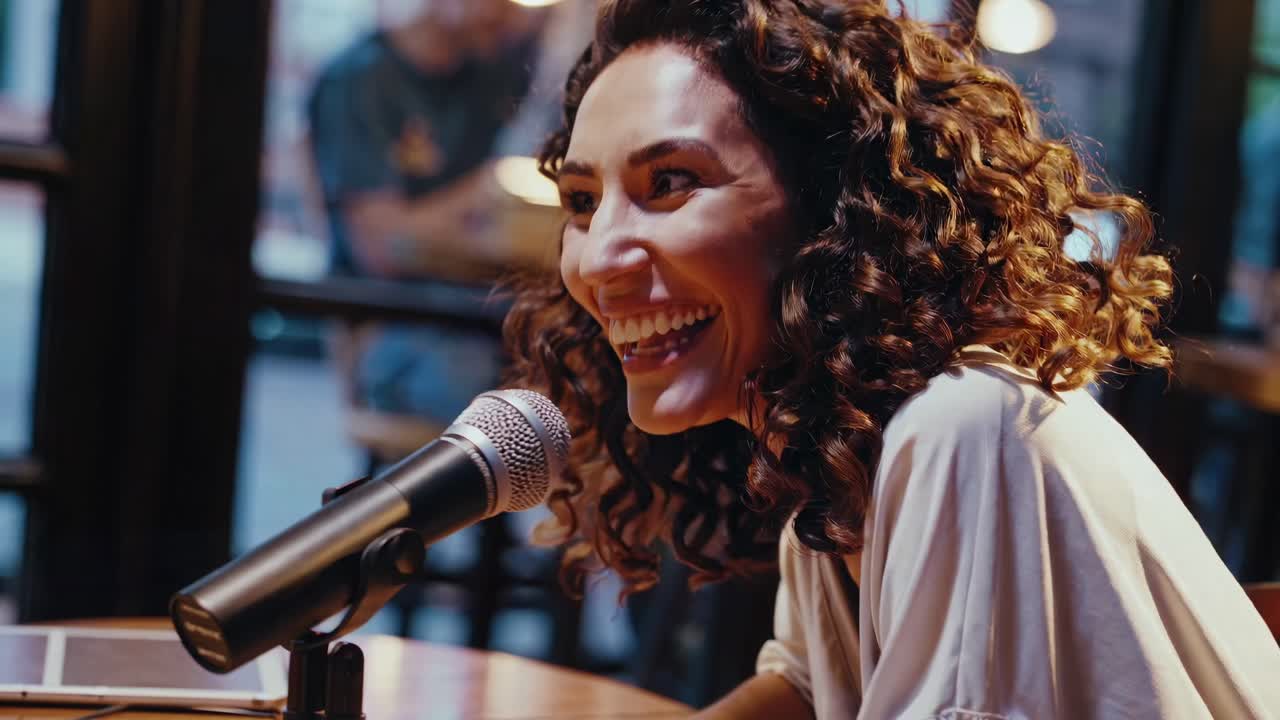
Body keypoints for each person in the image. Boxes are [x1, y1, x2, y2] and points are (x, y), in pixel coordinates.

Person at [501, 1, 1280, 717]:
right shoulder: (836, 446)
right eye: (581, 202)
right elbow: (810, 685)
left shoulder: (963, 425)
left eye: (670, 183)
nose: (597, 259)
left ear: (831, 206)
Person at [306, 0, 540, 421]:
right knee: (494, 388)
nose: (509, 13)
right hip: (389, 322)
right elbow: (380, 247)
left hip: (481, 311)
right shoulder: (361, 77)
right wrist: (485, 186)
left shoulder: (491, 75)